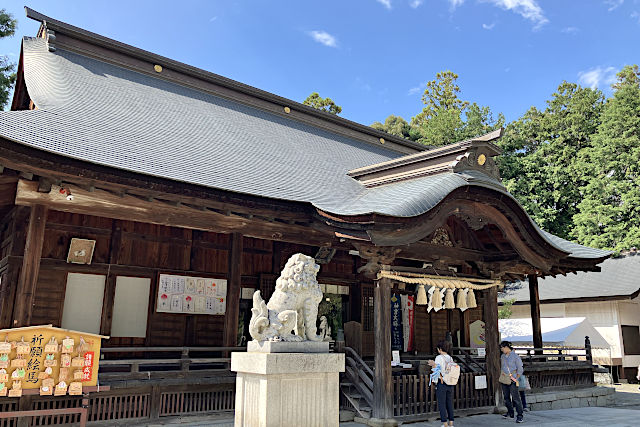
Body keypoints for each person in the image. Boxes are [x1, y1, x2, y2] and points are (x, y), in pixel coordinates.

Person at [428, 340, 455, 427]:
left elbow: (437, 370)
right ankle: (451, 423)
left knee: (442, 403)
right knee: (449, 403)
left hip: (442, 383)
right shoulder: (450, 358)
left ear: (439, 349)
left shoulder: (439, 358)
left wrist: (433, 365)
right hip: (450, 382)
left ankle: (445, 423)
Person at [500, 341, 524, 423]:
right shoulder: (502, 356)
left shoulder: (515, 356)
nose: (501, 349)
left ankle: (520, 415)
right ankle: (510, 413)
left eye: (502, 347)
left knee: (516, 398)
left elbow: (520, 368)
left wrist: (516, 377)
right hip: (504, 378)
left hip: (512, 379)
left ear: (506, 347)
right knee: (506, 397)